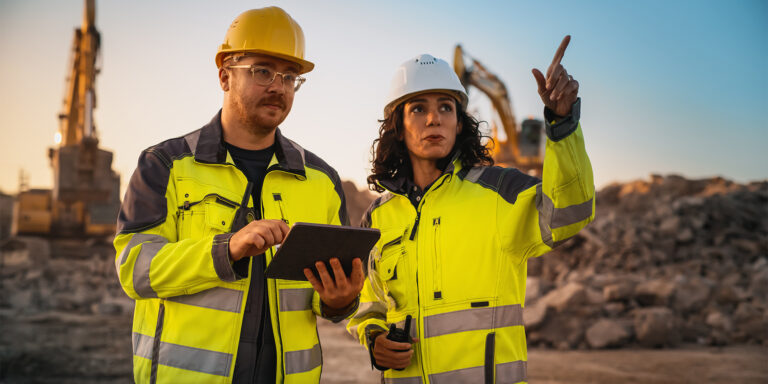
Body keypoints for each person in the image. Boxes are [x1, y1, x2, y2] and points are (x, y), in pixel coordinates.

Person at [114, 7, 364, 384]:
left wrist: (339, 299)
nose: (278, 86)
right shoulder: (166, 164)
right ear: (224, 76)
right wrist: (225, 249)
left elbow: (321, 300)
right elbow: (135, 269)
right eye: (263, 70)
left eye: (290, 77)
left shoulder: (321, 180)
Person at [347, 36, 594, 383]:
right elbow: (368, 302)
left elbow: (571, 210)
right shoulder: (376, 218)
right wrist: (375, 339)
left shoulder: (500, 191)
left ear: (459, 123)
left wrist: (562, 125)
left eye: (446, 107)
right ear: (399, 128)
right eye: (418, 108)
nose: (434, 118)